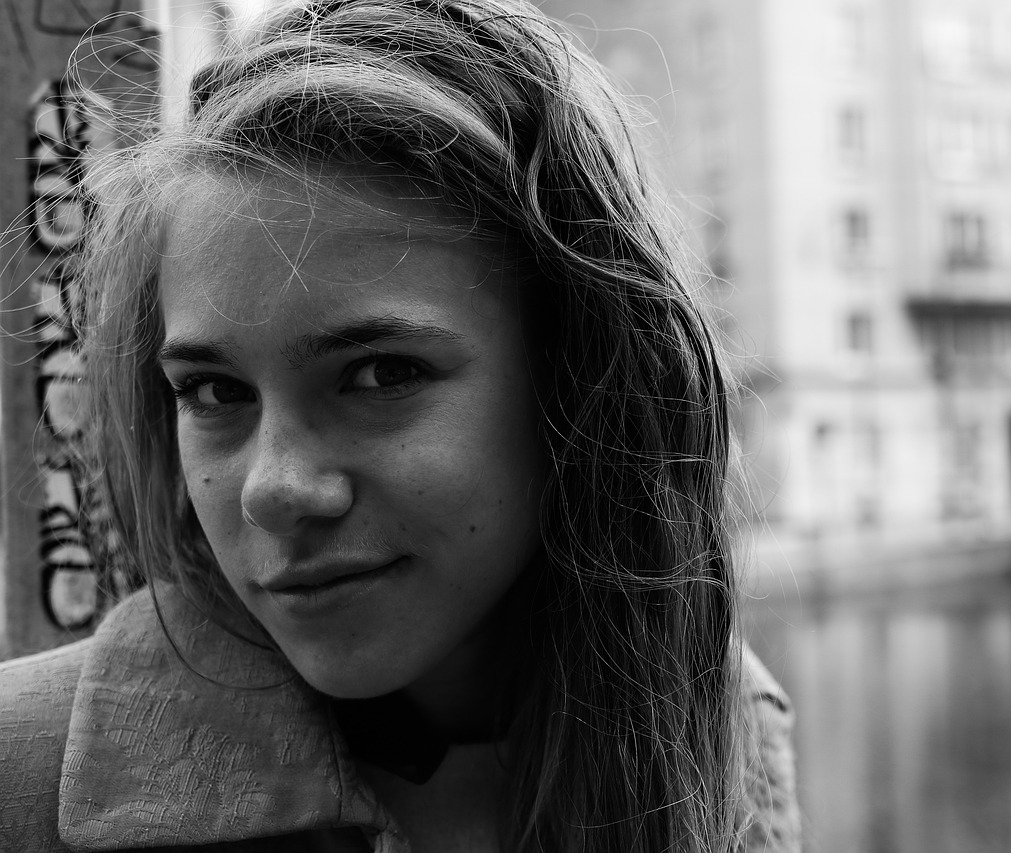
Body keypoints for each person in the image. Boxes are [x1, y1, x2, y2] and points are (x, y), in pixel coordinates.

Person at [0, 1, 800, 850]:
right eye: (214, 391)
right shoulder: (17, 777)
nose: (275, 489)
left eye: (381, 375)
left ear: (579, 383)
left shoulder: (724, 726)